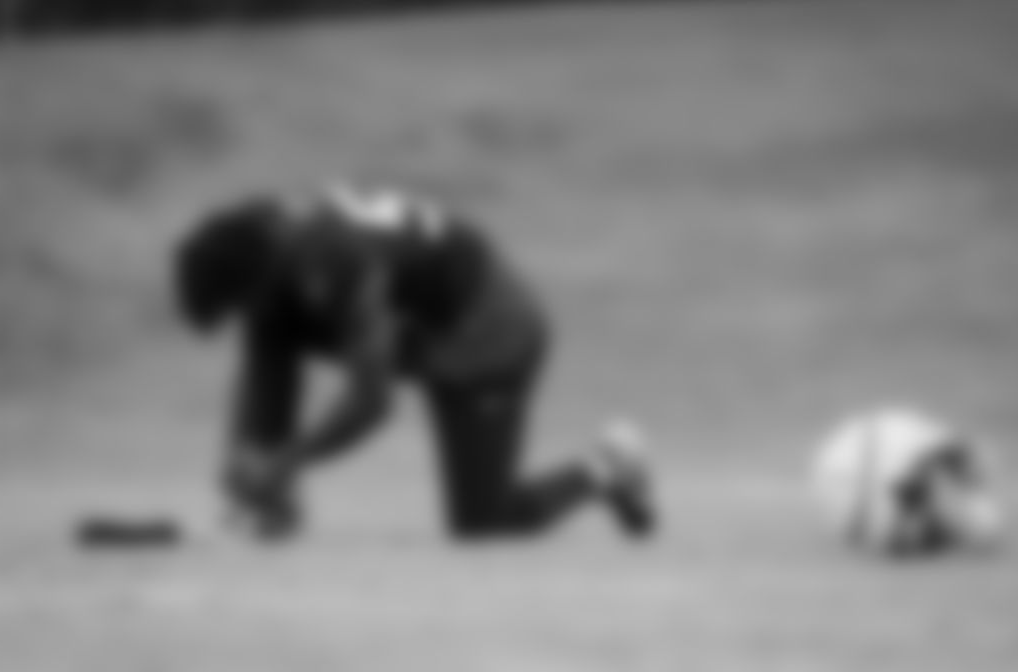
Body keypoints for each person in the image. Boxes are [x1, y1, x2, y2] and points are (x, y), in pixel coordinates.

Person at [173, 180, 656, 542]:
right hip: (428, 332)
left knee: (482, 523)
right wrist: (246, 460)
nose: (244, 316)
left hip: (490, 331)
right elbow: (265, 355)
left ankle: (609, 468)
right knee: (271, 329)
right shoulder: (267, 247)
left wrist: (284, 462)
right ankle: (270, 507)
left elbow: (372, 403)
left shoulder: (333, 259)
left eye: (239, 304)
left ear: (259, 274)